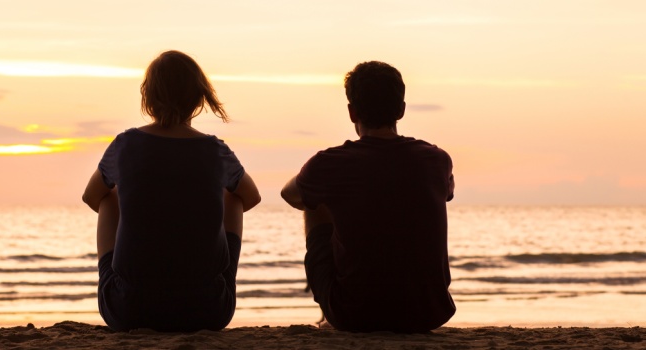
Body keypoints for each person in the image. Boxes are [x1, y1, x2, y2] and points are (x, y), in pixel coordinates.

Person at [82, 50, 261, 332]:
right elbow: (251, 197)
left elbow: (91, 196)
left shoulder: (125, 145)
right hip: (208, 311)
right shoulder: (215, 151)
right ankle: (215, 282)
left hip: (129, 311)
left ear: (148, 98)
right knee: (233, 196)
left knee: (109, 196)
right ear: (199, 99)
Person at [280, 61, 455, 333]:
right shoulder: (436, 159)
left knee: (314, 198)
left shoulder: (330, 163)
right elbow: (446, 193)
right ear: (401, 110)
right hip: (429, 313)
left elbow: (290, 195)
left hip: (355, 315)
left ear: (352, 112)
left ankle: (328, 313)